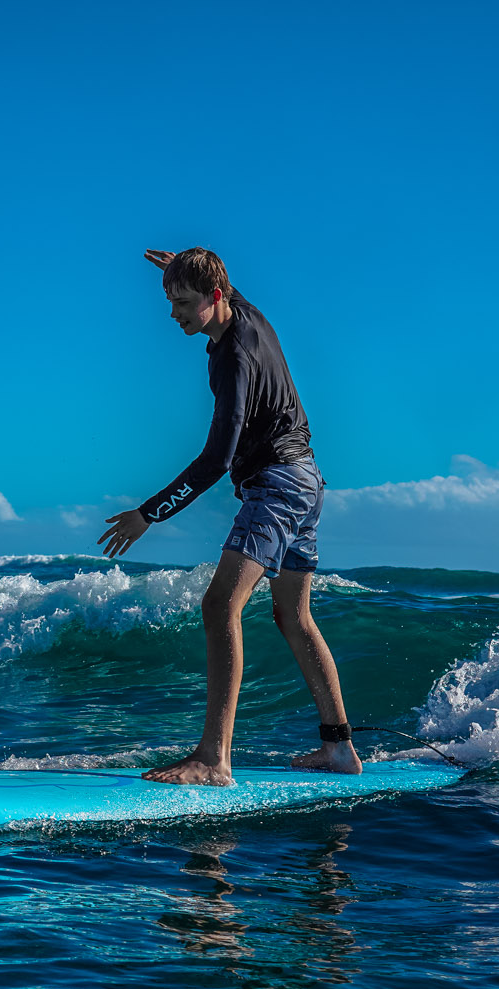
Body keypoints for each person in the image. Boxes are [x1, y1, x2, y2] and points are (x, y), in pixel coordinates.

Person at [99, 247, 360, 785]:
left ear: (215, 298)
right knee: (293, 616)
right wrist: (183, 268)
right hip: (308, 482)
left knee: (221, 604)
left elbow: (218, 458)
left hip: (277, 486)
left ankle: (214, 758)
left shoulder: (233, 355)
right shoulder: (244, 312)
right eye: (171, 302)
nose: (175, 314)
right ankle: (339, 749)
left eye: (185, 303)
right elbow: (227, 284)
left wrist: (150, 514)